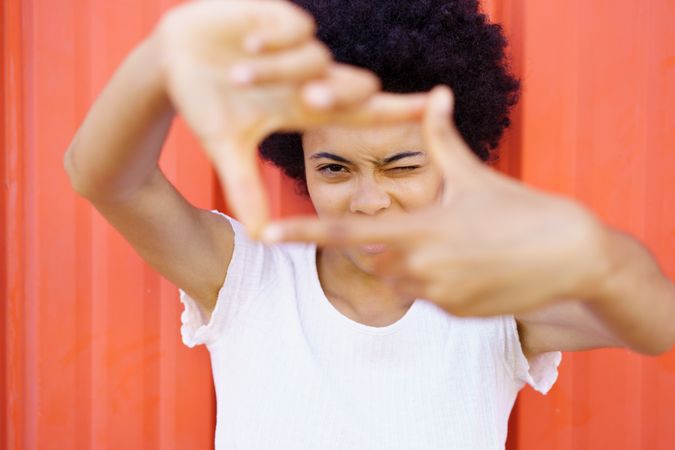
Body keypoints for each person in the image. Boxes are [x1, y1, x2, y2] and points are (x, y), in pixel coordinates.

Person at [64, 1, 675, 449]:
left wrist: (598, 255)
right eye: (334, 168)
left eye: (400, 166)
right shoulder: (245, 279)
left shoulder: (499, 300)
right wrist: (162, 59)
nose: (368, 200)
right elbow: (103, 177)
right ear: (297, 161)